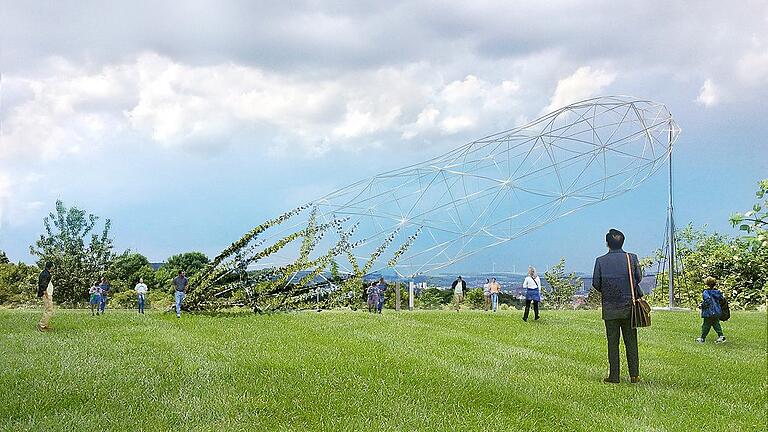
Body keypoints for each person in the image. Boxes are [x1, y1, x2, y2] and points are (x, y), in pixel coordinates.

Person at [592, 229, 644, 384]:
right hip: (629, 307)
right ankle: (634, 375)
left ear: (607, 243)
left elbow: (596, 283)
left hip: (610, 307)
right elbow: (638, 278)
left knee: (612, 343)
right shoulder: (631, 258)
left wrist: (609, 292)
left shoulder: (600, 261)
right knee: (631, 342)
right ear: (623, 242)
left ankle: (614, 376)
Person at [696, 277, 727, 344]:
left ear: (706, 284)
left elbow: (707, 300)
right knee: (716, 324)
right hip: (717, 311)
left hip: (709, 312)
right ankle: (721, 336)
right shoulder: (718, 292)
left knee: (706, 325)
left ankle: (702, 338)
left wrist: (701, 305)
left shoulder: (706, 292)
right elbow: (722, 300)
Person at [36, 262, 54, 332]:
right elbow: (43, 285)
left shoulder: (44, 273)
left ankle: (44, 325)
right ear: (51, 267)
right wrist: (46, 294)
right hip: (46, 294)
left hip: (47, 294)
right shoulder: (46, 274)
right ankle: (41, 325)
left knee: (47, 309)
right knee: (49, 309)